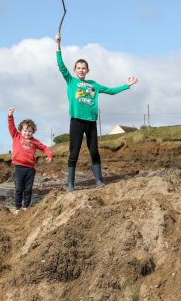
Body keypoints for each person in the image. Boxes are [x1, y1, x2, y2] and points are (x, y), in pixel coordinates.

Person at [56, 33, 138, 190]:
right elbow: (61, 66)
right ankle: (71, 184)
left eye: (83, 68)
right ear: (74, 70)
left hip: (91, 122)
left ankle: (99, 181)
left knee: (94, 151)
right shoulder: (71, 81)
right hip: (76, 121)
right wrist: (58, 45)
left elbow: (112, 91)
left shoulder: (94, 84)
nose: (81, 70)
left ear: (87, 70)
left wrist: (127, 85)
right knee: (74, 153)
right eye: (78, 68)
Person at [7, 107, 53, 212]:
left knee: (28, 189)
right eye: (25, 130)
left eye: (30, 131)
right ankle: (18, 208)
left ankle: (26, 207)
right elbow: (11, 126)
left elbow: (45, 148)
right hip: (19, 167)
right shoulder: (16, 136)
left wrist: (49, 156)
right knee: (19, 189)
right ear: (20, 130)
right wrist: (10, 116)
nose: (27, 133)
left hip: (30, 169)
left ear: (33, 132)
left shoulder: (35, 141)